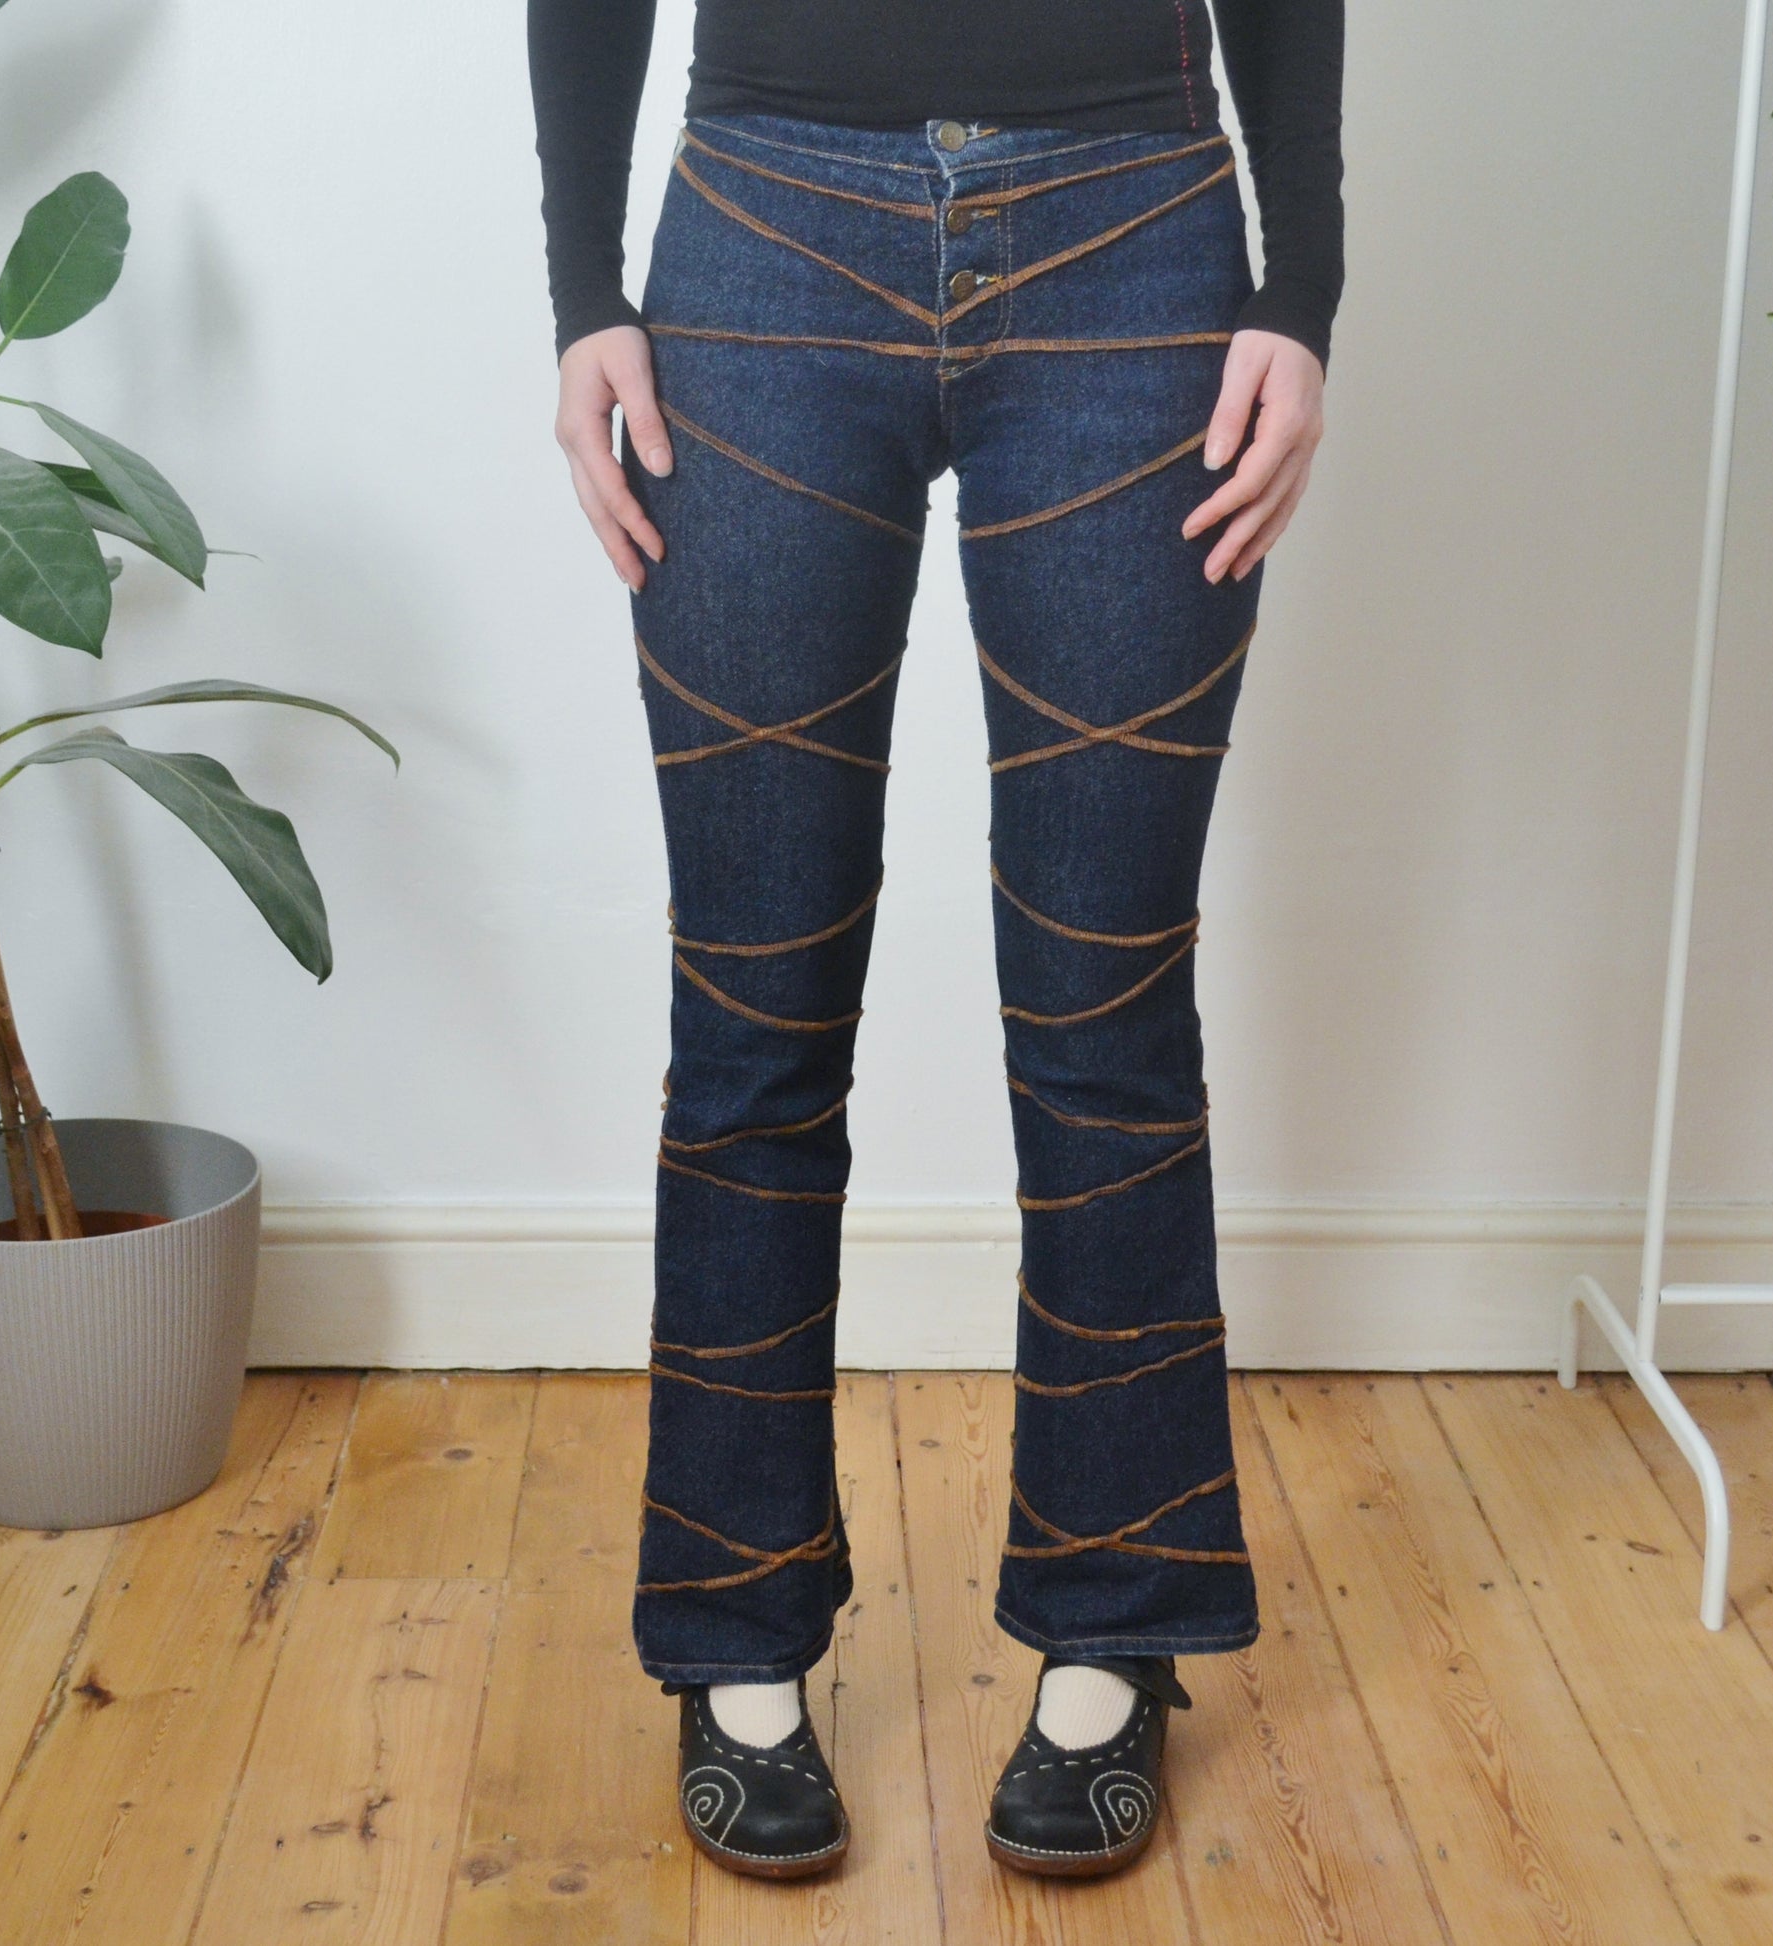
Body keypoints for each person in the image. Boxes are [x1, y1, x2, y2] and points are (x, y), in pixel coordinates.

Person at [528, 0, 1343, 1881]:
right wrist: (583, 290)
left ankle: (1113, 1622)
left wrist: (1300, 291)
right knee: (752, 1006)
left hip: (1136, 239)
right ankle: (732, 1630)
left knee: (1105, 1003)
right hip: (762, 239)